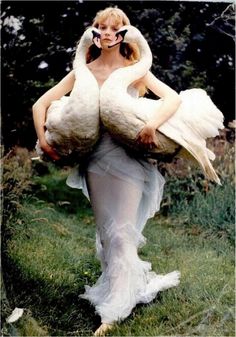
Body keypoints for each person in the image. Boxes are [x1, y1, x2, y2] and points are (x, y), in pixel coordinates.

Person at [32, 7, 181, 336]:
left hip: (127, 158)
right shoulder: (83, 71)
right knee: (105, 233)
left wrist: (152, 126)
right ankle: (123, 288)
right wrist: (46, 143)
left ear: (123, 34)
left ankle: (113, 313)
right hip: (96, 161)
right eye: (99, 27)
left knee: (121, 232)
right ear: (93, 33)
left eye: (113, 28)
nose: (106, 33)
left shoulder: (133, 70)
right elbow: (39, 105)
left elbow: (172, 99)